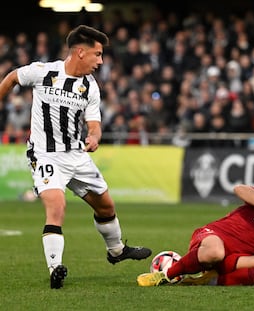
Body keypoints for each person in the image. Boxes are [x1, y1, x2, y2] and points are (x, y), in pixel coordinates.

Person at [0, 25, 152, 289]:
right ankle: (55, 267)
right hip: (45, 154)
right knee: (56, 206)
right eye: (98, 54)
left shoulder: (90, 87)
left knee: (106, 207)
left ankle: (116, 251)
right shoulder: (44, 72)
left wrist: (94, 137)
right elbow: (13, 77)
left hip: (76, 155)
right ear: (80, 52)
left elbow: (94, 123)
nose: (101, 61)